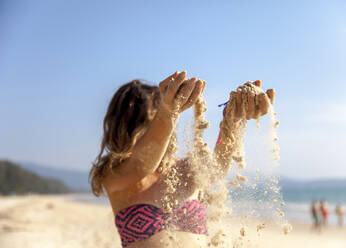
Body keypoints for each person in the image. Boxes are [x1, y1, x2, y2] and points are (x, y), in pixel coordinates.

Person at [89, 71, 275, 248]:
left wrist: (233, 118)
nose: (167, 130)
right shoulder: (114, 174)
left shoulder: (184, 168)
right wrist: (169, 110)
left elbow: (218, 167)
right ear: (127, 129)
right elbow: (143, 163)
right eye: (152, 121)